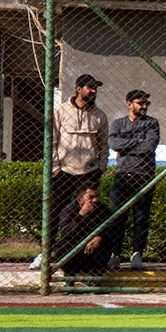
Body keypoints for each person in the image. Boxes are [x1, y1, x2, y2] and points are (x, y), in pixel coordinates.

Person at [50, 73, 108, 236]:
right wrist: (55, 167)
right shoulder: (60, 111)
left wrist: (101, 168)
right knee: (55, 212)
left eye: (95, 88)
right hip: (64, 172)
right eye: (90, 88)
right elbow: (51, 141)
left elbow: (104, 144)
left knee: (89, 211)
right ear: (78, 89)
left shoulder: (100, 115)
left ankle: (81, 247)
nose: (94, 91)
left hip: (89, 172)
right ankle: (49, 248)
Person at [108, 88, 159, 268]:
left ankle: (137, 254)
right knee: (117, 217)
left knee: (141, 217)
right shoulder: (118, 124)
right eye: (141, 103)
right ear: (129, 104)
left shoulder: (152, 123)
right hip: (123, 175)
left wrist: (126, 145)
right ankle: (115, 254)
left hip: (144, 176)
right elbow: (113, 144)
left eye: (147, 103)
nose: (145, 106)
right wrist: (137, 141)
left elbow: (149, 147)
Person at [56, 184, 116, 281]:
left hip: (93, 249)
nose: (95, 200)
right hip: (75, 246)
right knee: (62, 246)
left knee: (106, 242)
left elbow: (112, 229)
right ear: (80, 200)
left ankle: (95, 277)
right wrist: (81, 215)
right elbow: (66, 233)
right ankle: (70, 276)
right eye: (91, 197)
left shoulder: (103, 209)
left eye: (97, 196)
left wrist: (100, 237)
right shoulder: (68, 210)